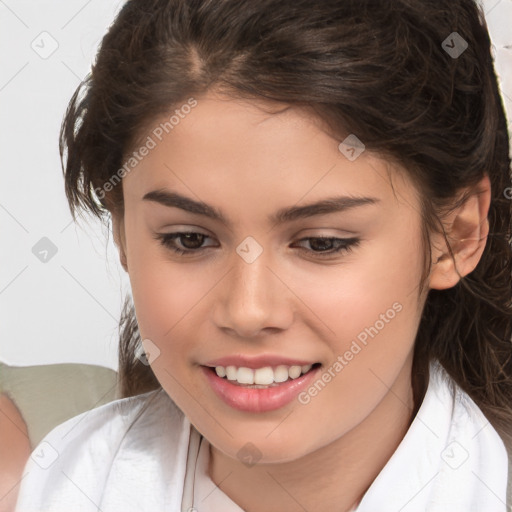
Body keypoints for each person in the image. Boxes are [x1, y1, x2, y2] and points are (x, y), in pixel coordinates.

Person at [13, 0, 512, 510]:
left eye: (322, 243)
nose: (248, 312)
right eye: (189, 239)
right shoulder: (56, 484)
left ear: (457, 234)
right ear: (122, 230)